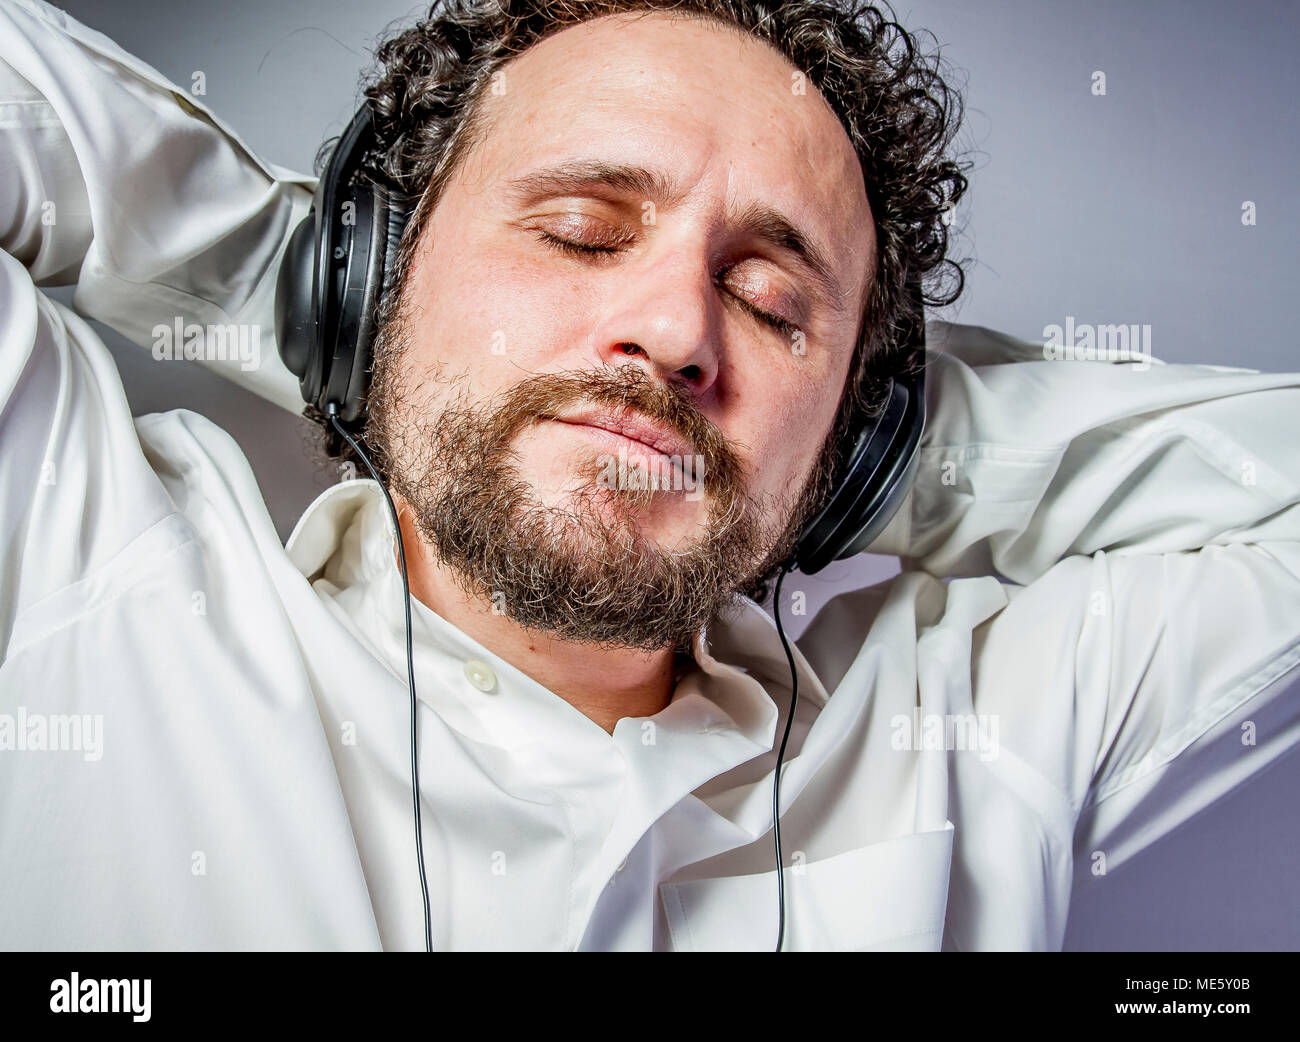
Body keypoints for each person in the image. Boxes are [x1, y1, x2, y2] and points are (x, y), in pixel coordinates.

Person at [1, 0, 1297, 952]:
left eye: (771, 300)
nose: (678, 329)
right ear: (380, 265)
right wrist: (297, 289)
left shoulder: (974, 723)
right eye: (580, 231)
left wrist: (860, 460)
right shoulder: (86, 567)